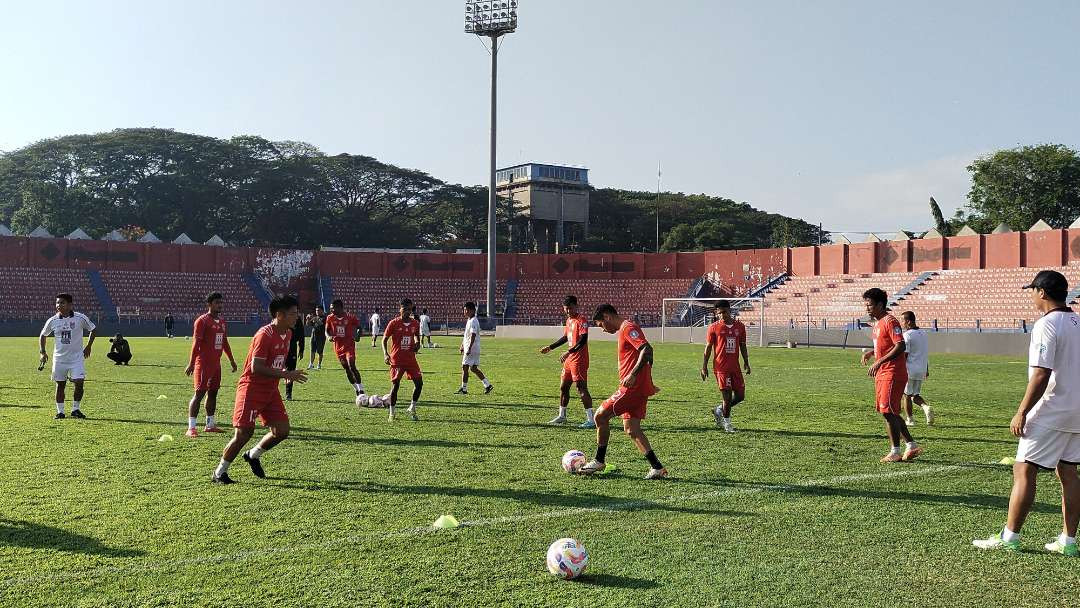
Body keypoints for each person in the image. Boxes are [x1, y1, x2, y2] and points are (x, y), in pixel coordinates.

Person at [974, 270, 1080, 556]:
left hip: (1053, 407)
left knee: (1023, 468)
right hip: (1077, 410)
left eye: (1032, 290)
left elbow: (1041, 374)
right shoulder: (1077, 321)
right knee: (1068, 470)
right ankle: (1068, 542)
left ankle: (1009, 537)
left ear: (1042, 293)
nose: (1031, 295)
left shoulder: (1047, 325)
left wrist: (1022, 411)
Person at [212, 294, 307, 484]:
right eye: (293, 314)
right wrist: (286, 375)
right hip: (252, 388)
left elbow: (275, 363)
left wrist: (284, 373)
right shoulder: (265, 334)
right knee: (244, 433)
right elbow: (257, 367)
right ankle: (218, 473)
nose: (297, 317)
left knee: (282, 431)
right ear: (279, 315)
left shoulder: (288, 333)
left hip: (271, 390)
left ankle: (253, 455)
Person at [579, 304, 667, 479]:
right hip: (639, 388)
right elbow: (648, 354)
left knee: (600, 416)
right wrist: (647, 381)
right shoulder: (626, 329)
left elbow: (646, 349)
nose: (603, 330)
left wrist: (634, 375)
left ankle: (599, 460)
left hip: (631, 389)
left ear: (607, 317)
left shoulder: (628, 328)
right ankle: (657, 467)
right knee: (632, 429)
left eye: (600, 325)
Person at [860, 288, 922, 463]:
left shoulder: (890, 321)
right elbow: (887, 346)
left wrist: (879, 362)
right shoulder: (878, 324)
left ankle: (895, 451)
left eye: (870, 304)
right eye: (866, 304)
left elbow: (900, 345)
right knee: (889, 411)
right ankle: (911, 445)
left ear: (880, 304)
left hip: (892, 373)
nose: (867, 308)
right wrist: (873, 353)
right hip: (883, 373)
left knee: (888, 412)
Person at [184, 293, 238, 438]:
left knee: (213, 392)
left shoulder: (221, 321)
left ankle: (210, 424)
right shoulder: (202, 321)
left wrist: (231, 360)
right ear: (209, 304)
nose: (219, 305)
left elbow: (224, 342)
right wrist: (191, 363)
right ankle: (191, 427)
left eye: (221, 302)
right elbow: (196, 343)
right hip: (203, 363)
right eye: (216, 303)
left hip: (216, 364)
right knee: (199, 393)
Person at [39, 293, 97, 420]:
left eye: (62, 303)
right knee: (60, 385)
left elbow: (93, 329)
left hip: (77, 358)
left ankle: (75, 409)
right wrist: (42, 352)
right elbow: (43, 335)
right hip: (59, 359)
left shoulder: (80, 318)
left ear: (70, 305)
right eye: (57, 303)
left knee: (79, 383)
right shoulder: (52, 320)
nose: (59, 305)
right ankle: (60, 412)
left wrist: (88, 346)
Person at [540, 295, 594, 428]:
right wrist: (550, 347)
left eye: (570, 308)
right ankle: (562, 416)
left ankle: (591, 420)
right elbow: (566, 337)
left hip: (579, 360)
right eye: (566, 309)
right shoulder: (569, 320)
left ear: (576, 306)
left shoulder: (582, 321)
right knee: (563, 387)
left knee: (581, 387)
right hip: (570, 360)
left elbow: (583, 340)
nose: (568, 311)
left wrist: (568, 352)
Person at [701, 300, 751, 433]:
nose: (722, 315)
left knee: (740, 396)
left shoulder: (740, 327)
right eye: (719, 313)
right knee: (727, 397)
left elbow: (743, 345)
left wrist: (746, 361)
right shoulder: (714, 327)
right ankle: (727, 424)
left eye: (724, 312)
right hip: (721, 368)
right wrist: (704, 366)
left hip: (735, 367)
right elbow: (708, 347)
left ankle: (719, 410)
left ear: (730, 310)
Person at [383, 298, 423, 421]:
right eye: (405, 309)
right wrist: (385, 354)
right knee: (395, 386)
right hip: (397, 360)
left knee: (419, 383)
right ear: (400, 309)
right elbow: (384, 339)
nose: (407, 312)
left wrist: (417, 344)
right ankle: (392, 413)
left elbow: (416, 336)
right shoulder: (393, 323)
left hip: (410, 359)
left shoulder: (415, 323)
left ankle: (412, 407)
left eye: (409, 309)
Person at [901, 311, 934, 425]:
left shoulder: (907, 335)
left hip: (910, 369)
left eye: (903, 321)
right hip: (921, 369)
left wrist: (900, 369)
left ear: (908, 321)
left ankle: (910, 420)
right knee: (915, 395)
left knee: (906, 395)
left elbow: (905, 354)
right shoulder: (923, 333)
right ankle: (925, 407)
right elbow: (924, 352)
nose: (902, 324)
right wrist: (926, 369)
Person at [325, 299, 364, 395]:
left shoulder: (350, 317)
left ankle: (361, 390)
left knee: (352, 366)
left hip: (349, 346)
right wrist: (328, 336)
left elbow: (359, 327)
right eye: (330, 309)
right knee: (346, 368)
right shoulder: (330, 318)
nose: (331, 310)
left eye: (332, 308)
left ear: (340, 308)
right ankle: (356, 389)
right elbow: (326, 330)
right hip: (338, 348)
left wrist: (358, 335)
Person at [456, 301, 493, 395]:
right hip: (474, 347)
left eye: (466, 310)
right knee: (473, 368)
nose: (465, 311)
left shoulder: (473, 321)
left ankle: (463, 389)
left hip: (472, 348)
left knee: (465, 367)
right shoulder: (470, 320)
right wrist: (462, 345)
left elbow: (473, 334)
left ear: (472, 310)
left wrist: (468, 348)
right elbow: (467, 335)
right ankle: (487, 385)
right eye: (464, 310)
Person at [285, 304, 306, 401]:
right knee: (277, 369)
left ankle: (288, 393)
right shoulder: (282, 319)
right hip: (281, 346)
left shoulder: (298, 320)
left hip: (292, 347)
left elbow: (301, 335)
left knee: (291, 370)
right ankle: (271, 392)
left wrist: (301, 349)